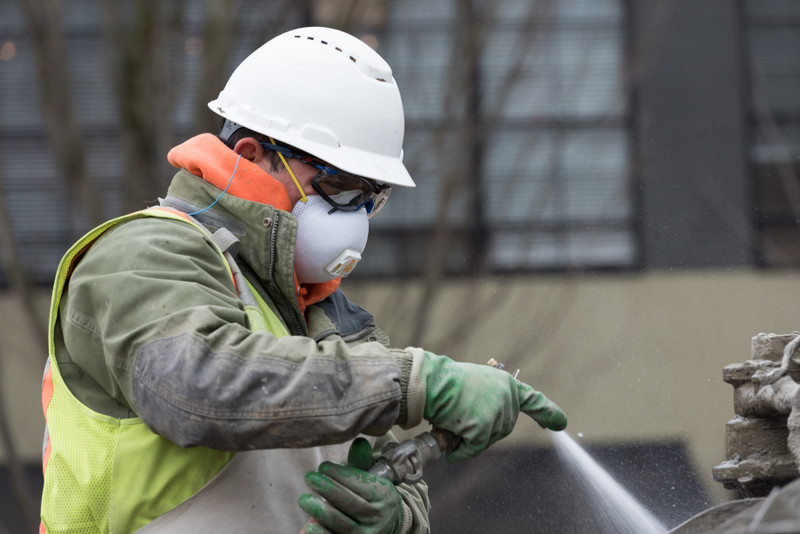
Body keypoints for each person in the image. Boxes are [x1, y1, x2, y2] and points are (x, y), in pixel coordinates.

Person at [39, 26, 566, 534]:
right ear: (251, 156)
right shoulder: (141, 255)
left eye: (370, 197)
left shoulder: (330, 316)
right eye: (340, 186)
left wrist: (398, 517)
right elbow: (197, 386)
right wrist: (414, 383)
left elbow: (394, 477)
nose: (355, 215)